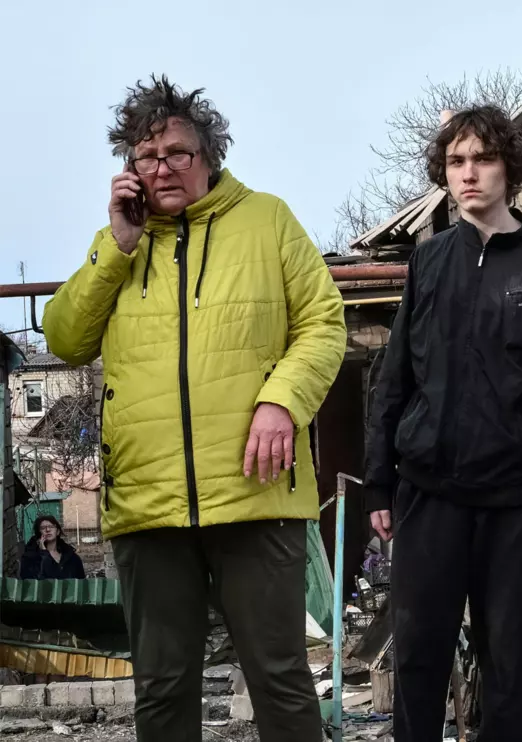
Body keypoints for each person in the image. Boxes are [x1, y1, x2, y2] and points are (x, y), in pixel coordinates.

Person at [43, 75, 346, 742]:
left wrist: (281, 402)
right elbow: (64, 339)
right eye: (146, 157)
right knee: (162, 686)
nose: (163, 168)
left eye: (178, 152)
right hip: (148, 503)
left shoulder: (266, 220)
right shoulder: (118, 245)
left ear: (210, 155)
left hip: (255, 491)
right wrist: (115, 248)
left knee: (280, 677)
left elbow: (323, 324)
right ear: (129, 170)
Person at [363, 104, 522, 742]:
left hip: (514, 507)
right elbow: (396, 378)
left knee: (507, 671)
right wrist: (379, 481)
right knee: (417, 664)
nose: (468, 174)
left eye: (482, 160)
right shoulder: (430, 259)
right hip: (429, 497)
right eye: (457, 161)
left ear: (508, 168)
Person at [20, 516, 87, 580]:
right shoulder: (30, 557)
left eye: (51, 526)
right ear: (39, 533)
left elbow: (82, 583)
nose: (48, 530)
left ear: (57, 531)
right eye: (43, 528)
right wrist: (43, 553)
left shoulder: (71, 557)